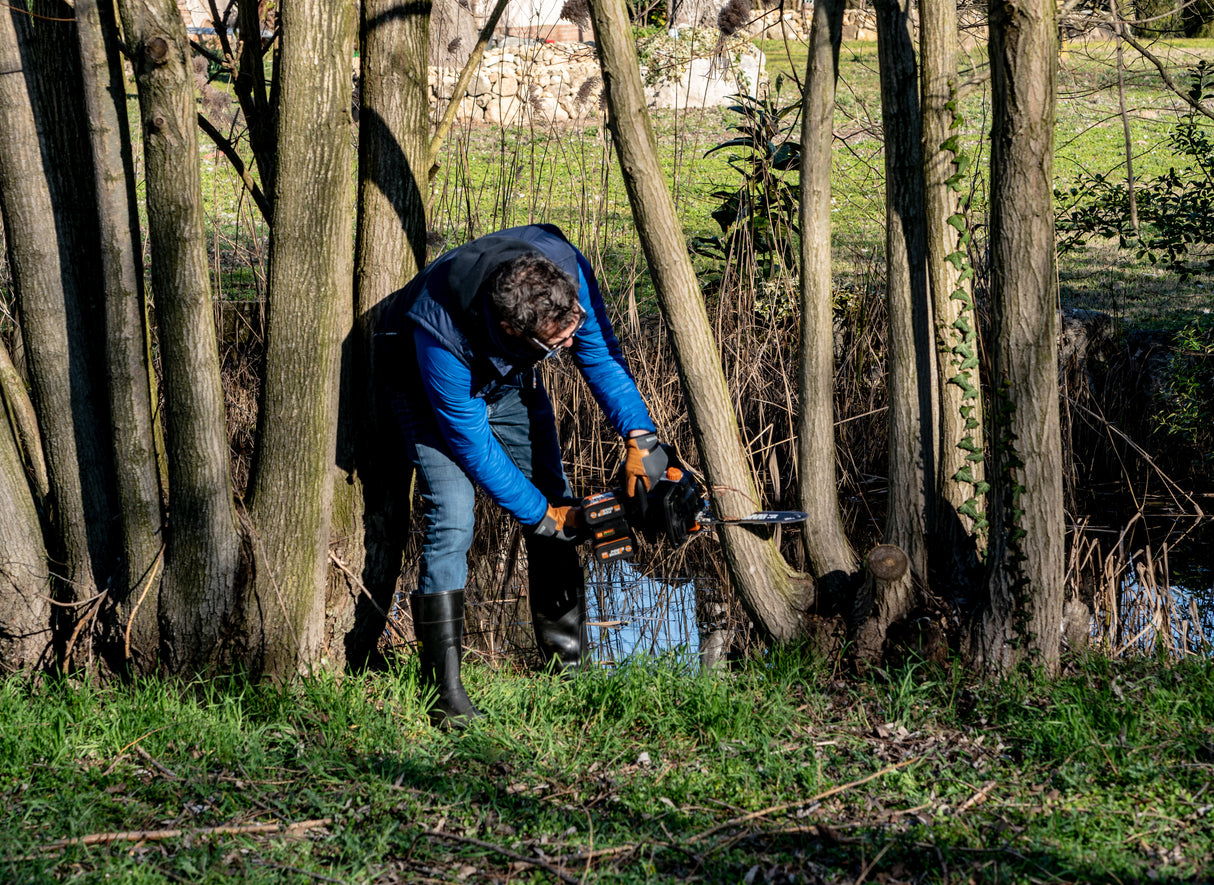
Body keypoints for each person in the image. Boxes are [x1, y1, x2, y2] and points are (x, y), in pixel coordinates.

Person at [375, 224, 667, 728]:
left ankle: (568, 669)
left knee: (559, 495)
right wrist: (540, 515)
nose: (571, 341)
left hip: (506, 376)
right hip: (427, 389)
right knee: (453, 515)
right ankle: (445, 693)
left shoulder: (561, 266)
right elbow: (472, 443)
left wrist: (641, 437)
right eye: (558, 343)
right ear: (514, 329)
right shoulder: (438, 331)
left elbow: (598, 353)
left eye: (571, 326)